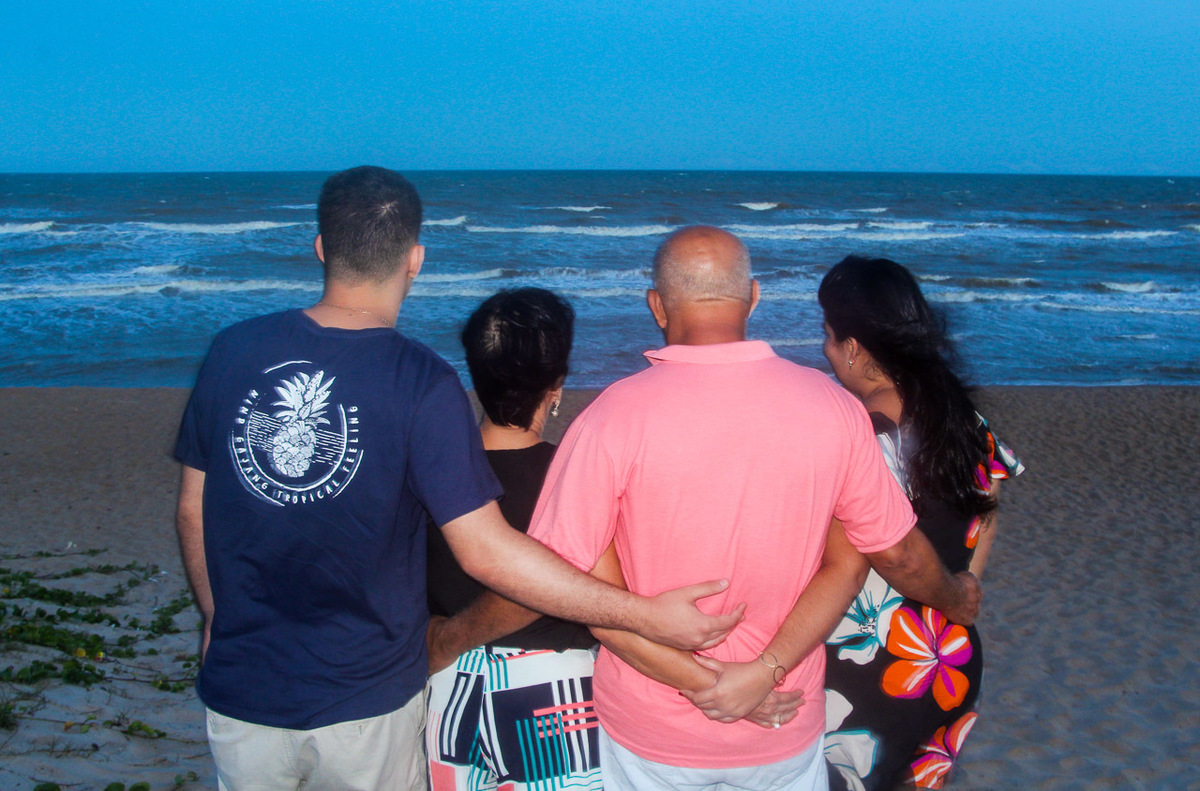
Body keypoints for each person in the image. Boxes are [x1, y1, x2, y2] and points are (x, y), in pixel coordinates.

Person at [173, 168, 742, 791]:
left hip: (243, 685)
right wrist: (641, 614)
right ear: (415, 259)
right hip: (367, 699)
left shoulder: (232, 350)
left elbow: (194, 510)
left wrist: (215, 618)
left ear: (320, 246)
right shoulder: (420, 381)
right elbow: (485, 551)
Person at [525, 227, 982, 790]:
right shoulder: (834, 409)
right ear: (755, 297)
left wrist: (700, 682)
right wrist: (761, 676)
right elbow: (863, 559)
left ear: (656, 306)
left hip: (652, 731)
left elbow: (579, 588)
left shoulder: (608, 417)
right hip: (783, 718)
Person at [818, 256, 1024, 790]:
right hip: (950, 657)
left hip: (873, 669)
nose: (825, 349)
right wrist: (966, 583)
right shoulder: (961, 416)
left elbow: (893, 552)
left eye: (829, 334)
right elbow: (989, 506)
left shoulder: (864, 436)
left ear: (856, 347)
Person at [425, 288, 602, 791]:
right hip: (552, 691)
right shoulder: (573, 475)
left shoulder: (430, 470)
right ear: (557, 383)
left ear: (475, 375)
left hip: (451, 685)